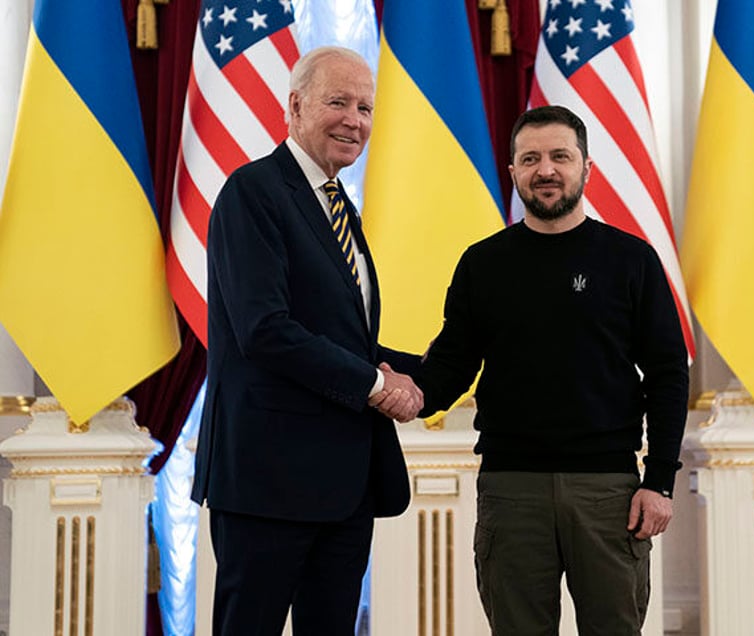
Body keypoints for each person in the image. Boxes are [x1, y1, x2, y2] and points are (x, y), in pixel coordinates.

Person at [418, 105, 689, 635]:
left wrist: (659, 481)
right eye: (531, 158)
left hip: (610, 492)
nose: (546, 170)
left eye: (560, 156)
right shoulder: (482, 263)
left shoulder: (632, 260)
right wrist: (388, 383)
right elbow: (449, 368)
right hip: (509, 490)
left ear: (586, 168)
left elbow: (667, 374)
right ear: (513, 171)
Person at [191, 46, 424, 636]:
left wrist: (436, 369)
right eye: (339, 102)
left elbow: (344, 338)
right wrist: (377, 387)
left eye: (366, 107)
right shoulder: (254, 193)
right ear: (294, 106)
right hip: (267, 483)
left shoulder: (339, 205)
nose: (355, 119)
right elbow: (265, 330)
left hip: (343, 486)